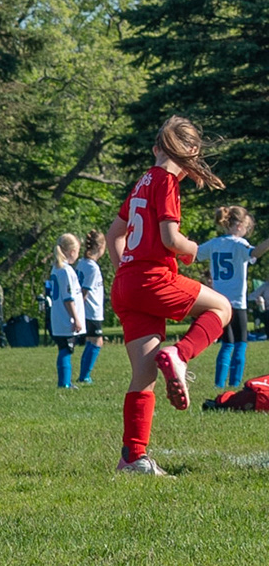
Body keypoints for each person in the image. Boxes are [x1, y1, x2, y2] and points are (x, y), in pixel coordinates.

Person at [108, 116, 232, 475]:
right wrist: (190, 249)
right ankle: (180, 355)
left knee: (143, 375)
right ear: (190, 149)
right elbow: (169, 239)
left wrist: (125, 270)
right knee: (221, 307)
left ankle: (132, 458)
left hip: (126, 285)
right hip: (151, 278)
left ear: (158, 146)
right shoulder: (164, 181)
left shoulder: (142, 181)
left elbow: (115, 233)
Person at [196, 205, 255, 390]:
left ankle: (219, 384)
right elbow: (255, 253)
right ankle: (235, 384)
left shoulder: (214, 243)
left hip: (219, 303)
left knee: (226, 344)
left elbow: (195, 254)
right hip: (237, 302)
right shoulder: (240, 244)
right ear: (239, 225)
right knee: (240, 344)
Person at [48, 234, 85, 388]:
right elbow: (68, 298)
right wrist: (75, 318)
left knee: (64, 349)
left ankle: (65, 381)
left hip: (57, 316)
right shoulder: (66, 271)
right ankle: (64, 383)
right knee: (66, 349)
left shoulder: (56, 268)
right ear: (71, 252)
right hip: (65, 317)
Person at [75, 230, 108, 383]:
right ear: (100, 246)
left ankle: (84, 374)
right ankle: (85, 376)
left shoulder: (82, 263)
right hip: (91, 311)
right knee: (97, 341)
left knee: (91, 341)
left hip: (88, 311)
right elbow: (84, 292)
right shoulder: (92, 268)